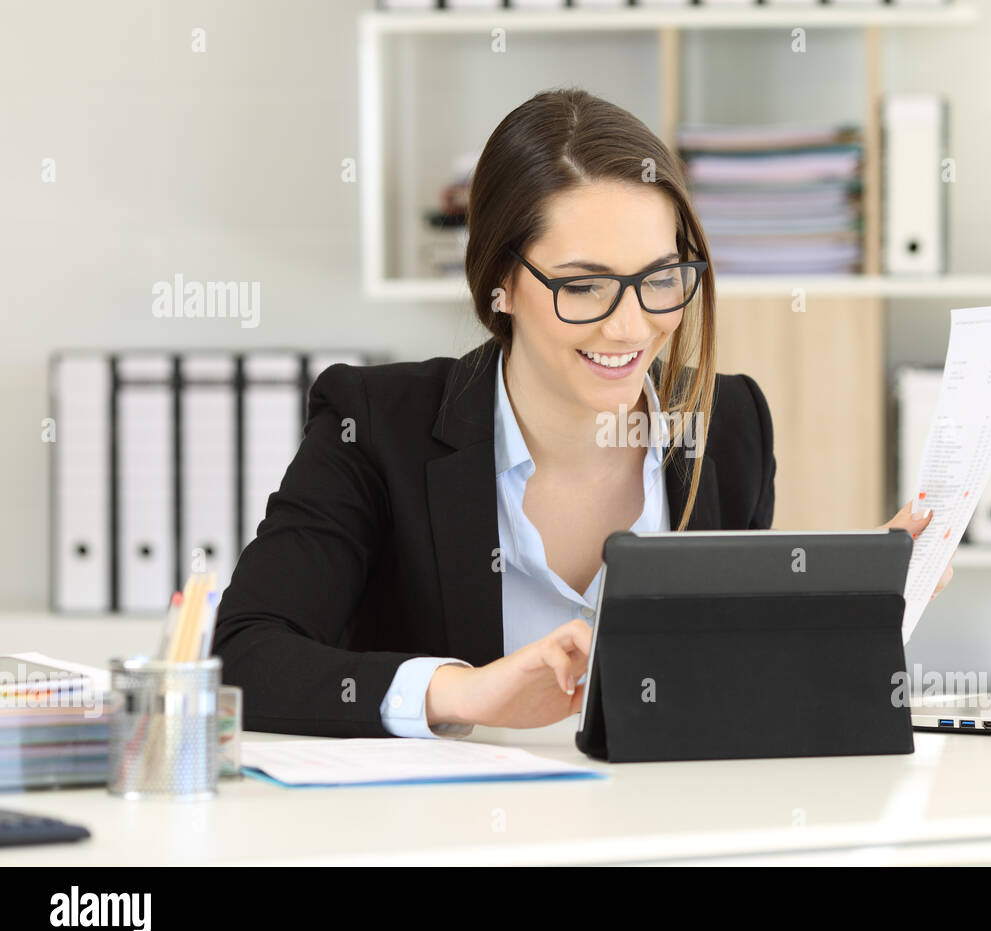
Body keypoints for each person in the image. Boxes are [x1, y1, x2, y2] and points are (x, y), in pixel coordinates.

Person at [212, 87, 951, 739]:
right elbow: (245, 655)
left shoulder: (727, 423)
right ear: (500, 281)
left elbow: (732, 676)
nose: (630, 327)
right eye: (585, 287)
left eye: (662, 278)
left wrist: (845, 603)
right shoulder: (375, 423)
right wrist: (462, 691)